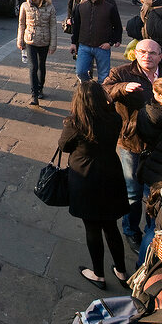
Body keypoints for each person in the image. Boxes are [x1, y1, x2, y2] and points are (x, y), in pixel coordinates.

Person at [58, 80, 130, 289]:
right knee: (111, 226)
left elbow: (64, 146)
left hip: (85, 177)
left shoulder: (76, 123)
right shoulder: (114, 117)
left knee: (92, 228)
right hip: (111, 174)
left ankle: (98, 274)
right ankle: (122, 271)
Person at [70, 0, 122, 82]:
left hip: (102, 47)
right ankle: (89, 89)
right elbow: (76, 27)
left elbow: (117, 26)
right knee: (80, 72)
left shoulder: (109, 8)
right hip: (84, 46)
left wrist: (111, 42)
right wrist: (73, 43)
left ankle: (100, 95)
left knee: (103, 76)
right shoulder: (81, 7)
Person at [16, 0, 58, 105]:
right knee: (33, 67)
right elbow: (21, 24)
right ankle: (34, 94)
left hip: (44, 41)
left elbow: (53, 26)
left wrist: (53, 45)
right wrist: (20, 40)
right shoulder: (24, 6)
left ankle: (40, 88)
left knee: (41, 66)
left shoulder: (50, 7)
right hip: (30, 40)